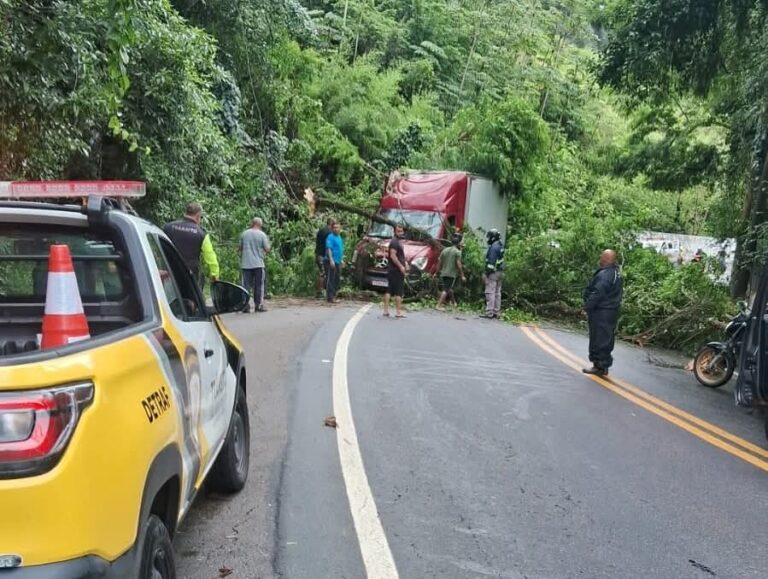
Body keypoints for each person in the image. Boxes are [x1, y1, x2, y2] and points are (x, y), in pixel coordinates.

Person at [582, 249, 624, 377]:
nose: (600, 258)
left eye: (602, 257)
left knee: (599, 337)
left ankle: (599, 365)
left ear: (606, 259)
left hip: (602, 311)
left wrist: (587, 307)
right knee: (606, 337)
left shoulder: (606, 275)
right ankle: (603, 365)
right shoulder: (616, 273)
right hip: (610, 310)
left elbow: (597, 292)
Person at [162, 201, 220, 287]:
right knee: (189, 300)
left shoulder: (167, 227)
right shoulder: (201, 234)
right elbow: (210, 257)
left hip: (168, 273)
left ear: (186, 213)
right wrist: (214, 275)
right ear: (198, 216)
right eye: (201, 217)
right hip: (189, 277)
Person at [240, 217, 271, 313]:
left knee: (245, 285)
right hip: (258, 264)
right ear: (260, 225)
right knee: (259, 285)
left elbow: (240, 248)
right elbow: (267, 249)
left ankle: (245, 306)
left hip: (246, 264)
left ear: (252, 223)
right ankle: (258, 305)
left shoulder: (244, 234)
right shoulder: (262, 235)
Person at [436, 233, 466, 311]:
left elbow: (439, 262)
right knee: (446, 289)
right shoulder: (457, 252)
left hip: (443, 273)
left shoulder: (444, 250)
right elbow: (459, 264)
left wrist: (436, 272)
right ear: (458, 243)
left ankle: (453, 302)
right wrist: (462, 275)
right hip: (451, 274)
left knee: (448, 288)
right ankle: (438, 305)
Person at [383, 224, 407, 318]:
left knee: (390, 289)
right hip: (395, 270)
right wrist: (401, 266)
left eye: (401, 231)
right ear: (394, 232)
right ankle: (398, 312)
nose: (400, 233)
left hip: (395, 269)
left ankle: (387, 311)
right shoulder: (394, 241)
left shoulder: (399, 241)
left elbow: (401, 255)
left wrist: (406, 264)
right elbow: (393, 256)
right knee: (398, 291)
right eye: (398, 231)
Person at [480, 229, 504, 319]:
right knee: (498, 293)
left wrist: (486, 274)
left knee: (490, 292)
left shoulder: (493, 248)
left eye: (490, 237)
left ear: (493, 237)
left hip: (493, 273)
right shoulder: (500, 245)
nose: (488, 239)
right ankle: (496, 312)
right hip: (500, 271)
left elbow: (491, 263)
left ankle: (489, 312)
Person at [315, 217, 335, 297]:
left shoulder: (321, 230)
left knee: (321, 273)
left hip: (318, 254)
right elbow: (328, 246)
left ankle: (320, 291)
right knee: (323, 273)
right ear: (331, 224)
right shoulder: (329, 233)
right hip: (323, 255)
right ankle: (321, 292)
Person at [325, 221, 344, 303]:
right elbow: (329, 249)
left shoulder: (339, 237)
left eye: (337, 227)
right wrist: (331, 259)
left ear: (340, 228)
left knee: (336, 279)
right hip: (331, 261)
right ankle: (330, 297)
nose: (336, 229)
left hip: (338, 261)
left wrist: (342, 260)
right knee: (331, 279)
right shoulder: (330, 237)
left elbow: (340, 249)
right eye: (334, 228)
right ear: (332, 229)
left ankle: (334, 296)